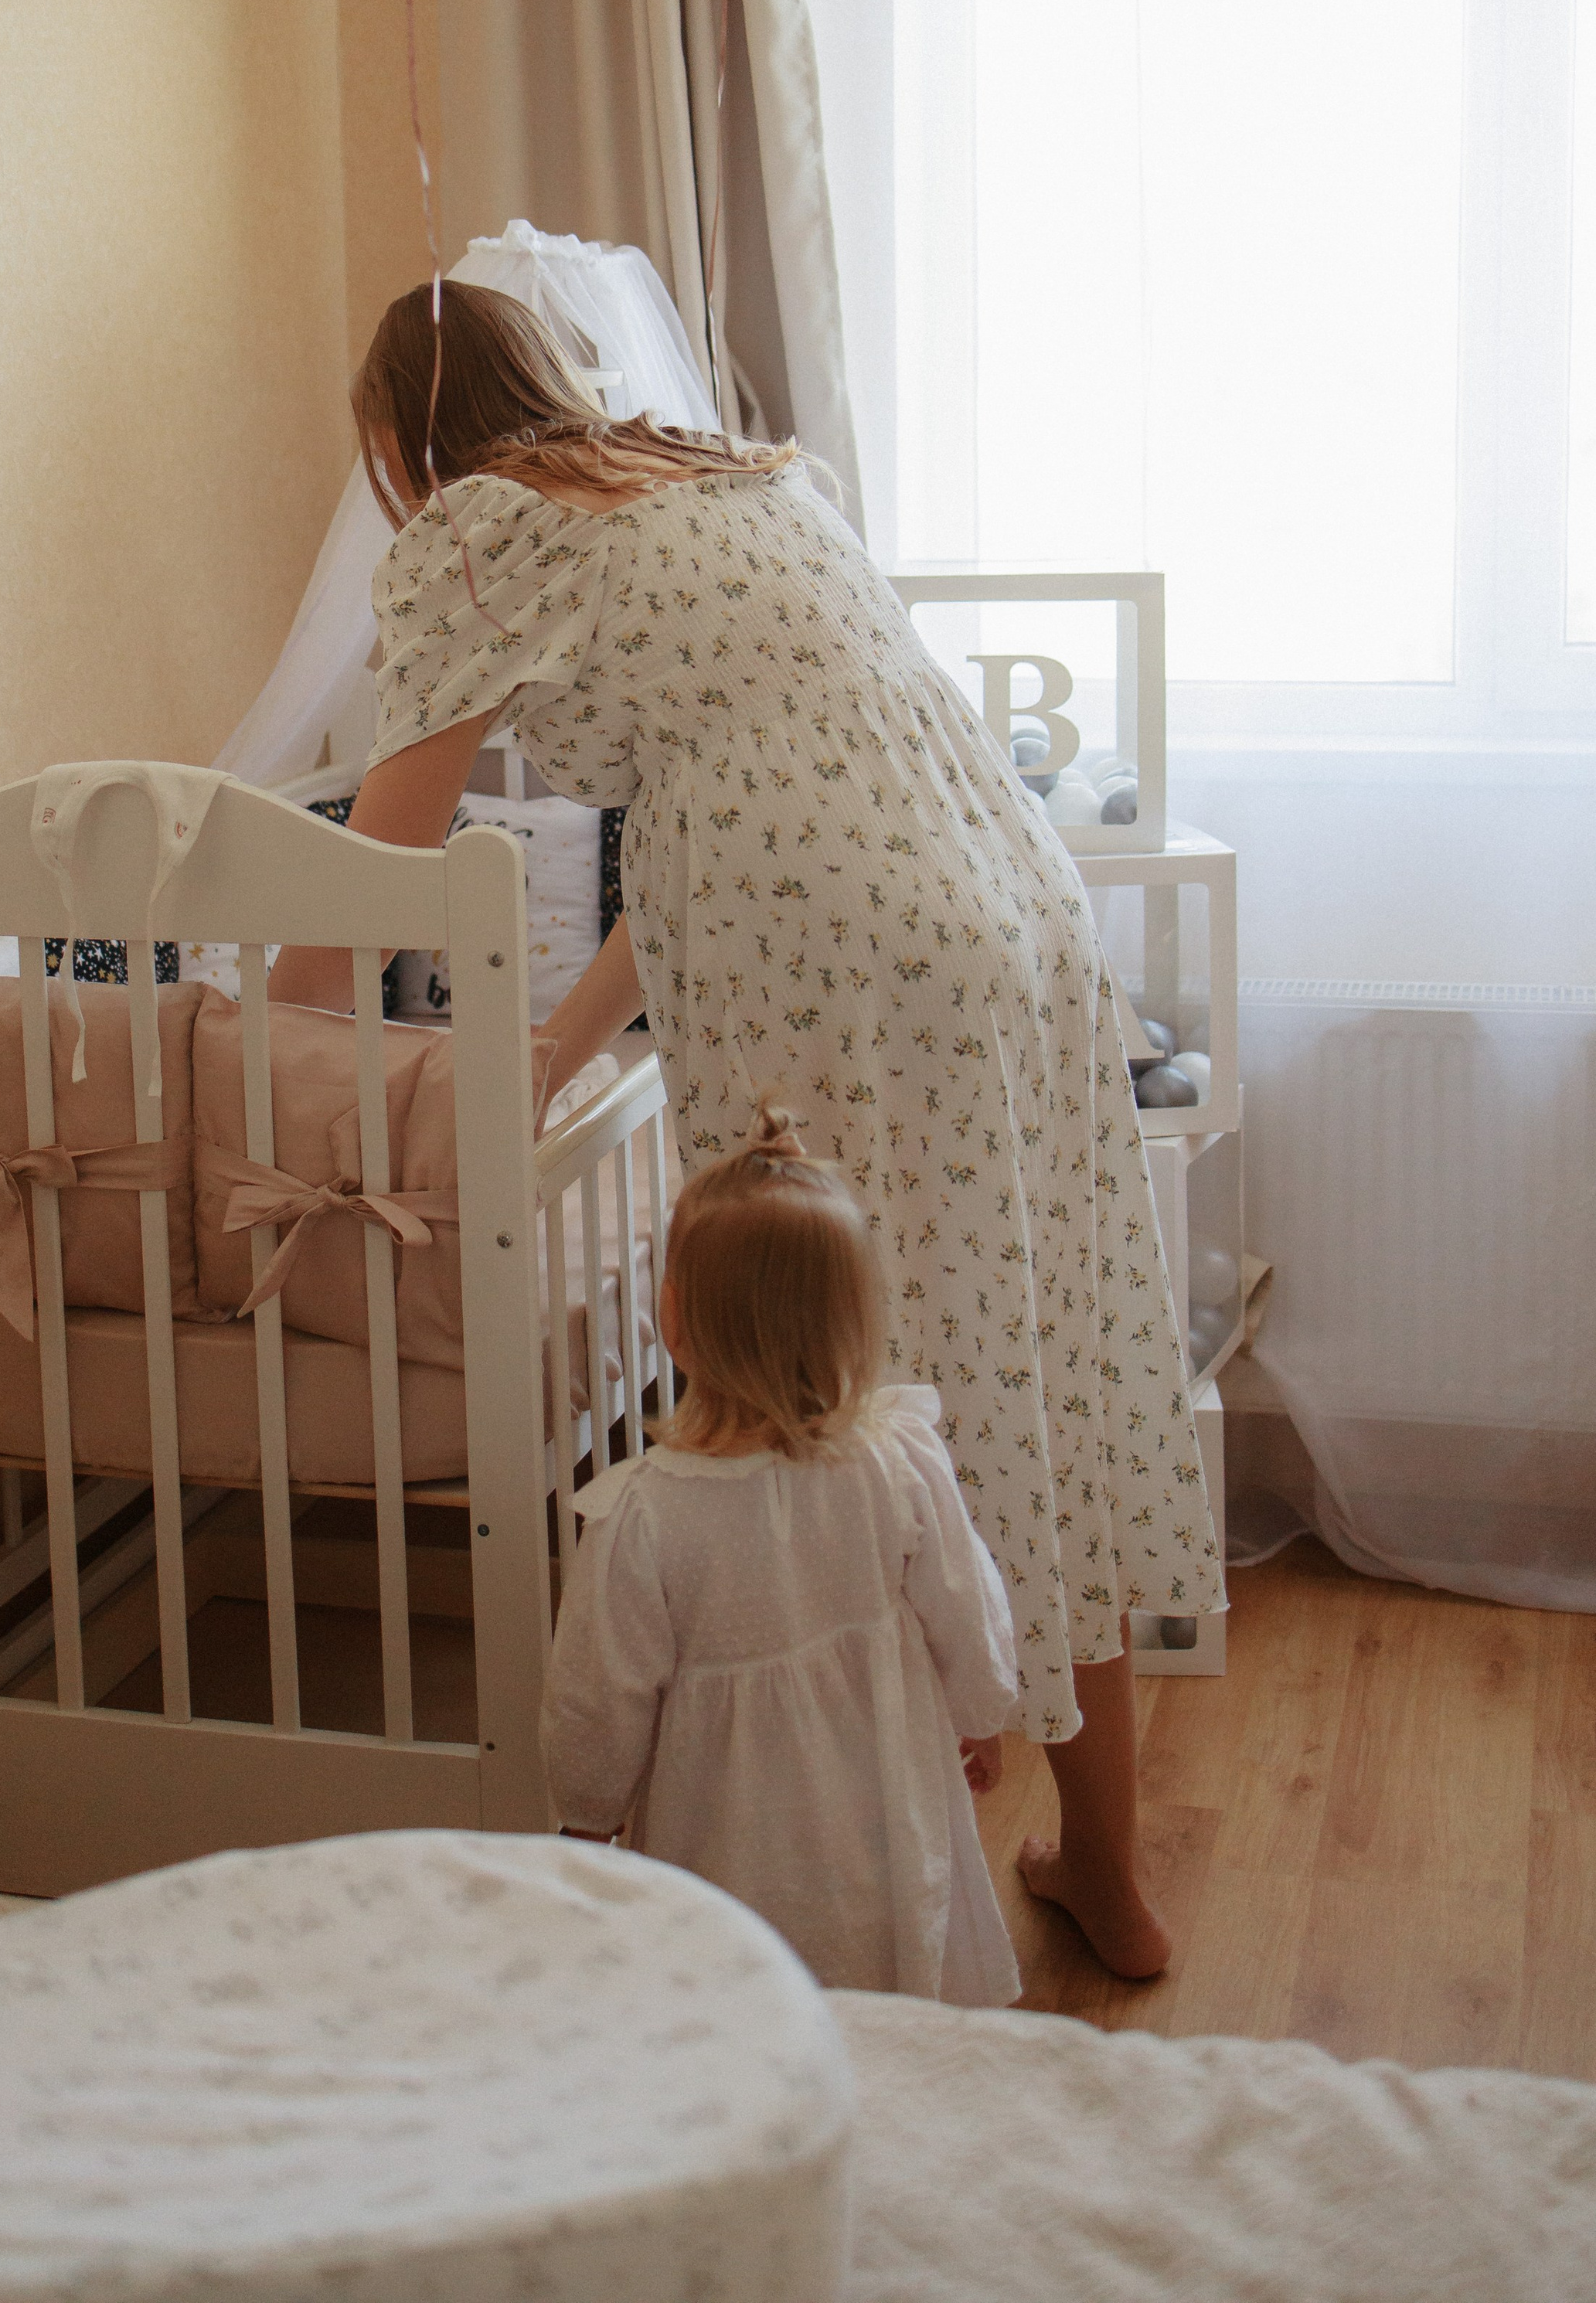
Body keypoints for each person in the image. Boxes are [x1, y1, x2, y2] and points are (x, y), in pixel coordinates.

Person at [271, 278, 1224, 1979]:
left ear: (397, 452)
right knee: (1038, 1354)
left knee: (860, 1387)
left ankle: (885, 1874)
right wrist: (567, 1037)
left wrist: (261, 1010)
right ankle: (1108, 1875)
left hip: (843, 967)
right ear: (546, 376)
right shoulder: (734, 478)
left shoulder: (483, 529)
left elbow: (376, 864)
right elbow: (769, 790)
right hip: (1007, 905)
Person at [540, 1100, 1021, 2001]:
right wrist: (980, 1709)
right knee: (890, 1951)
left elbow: (599, 1692)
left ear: (672, 1322)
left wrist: (588, 1814)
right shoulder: (897, 1460)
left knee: (740, 1994)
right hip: (884, 1778)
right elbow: (965, 1597)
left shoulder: (645, 1516)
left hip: (730, 1825)